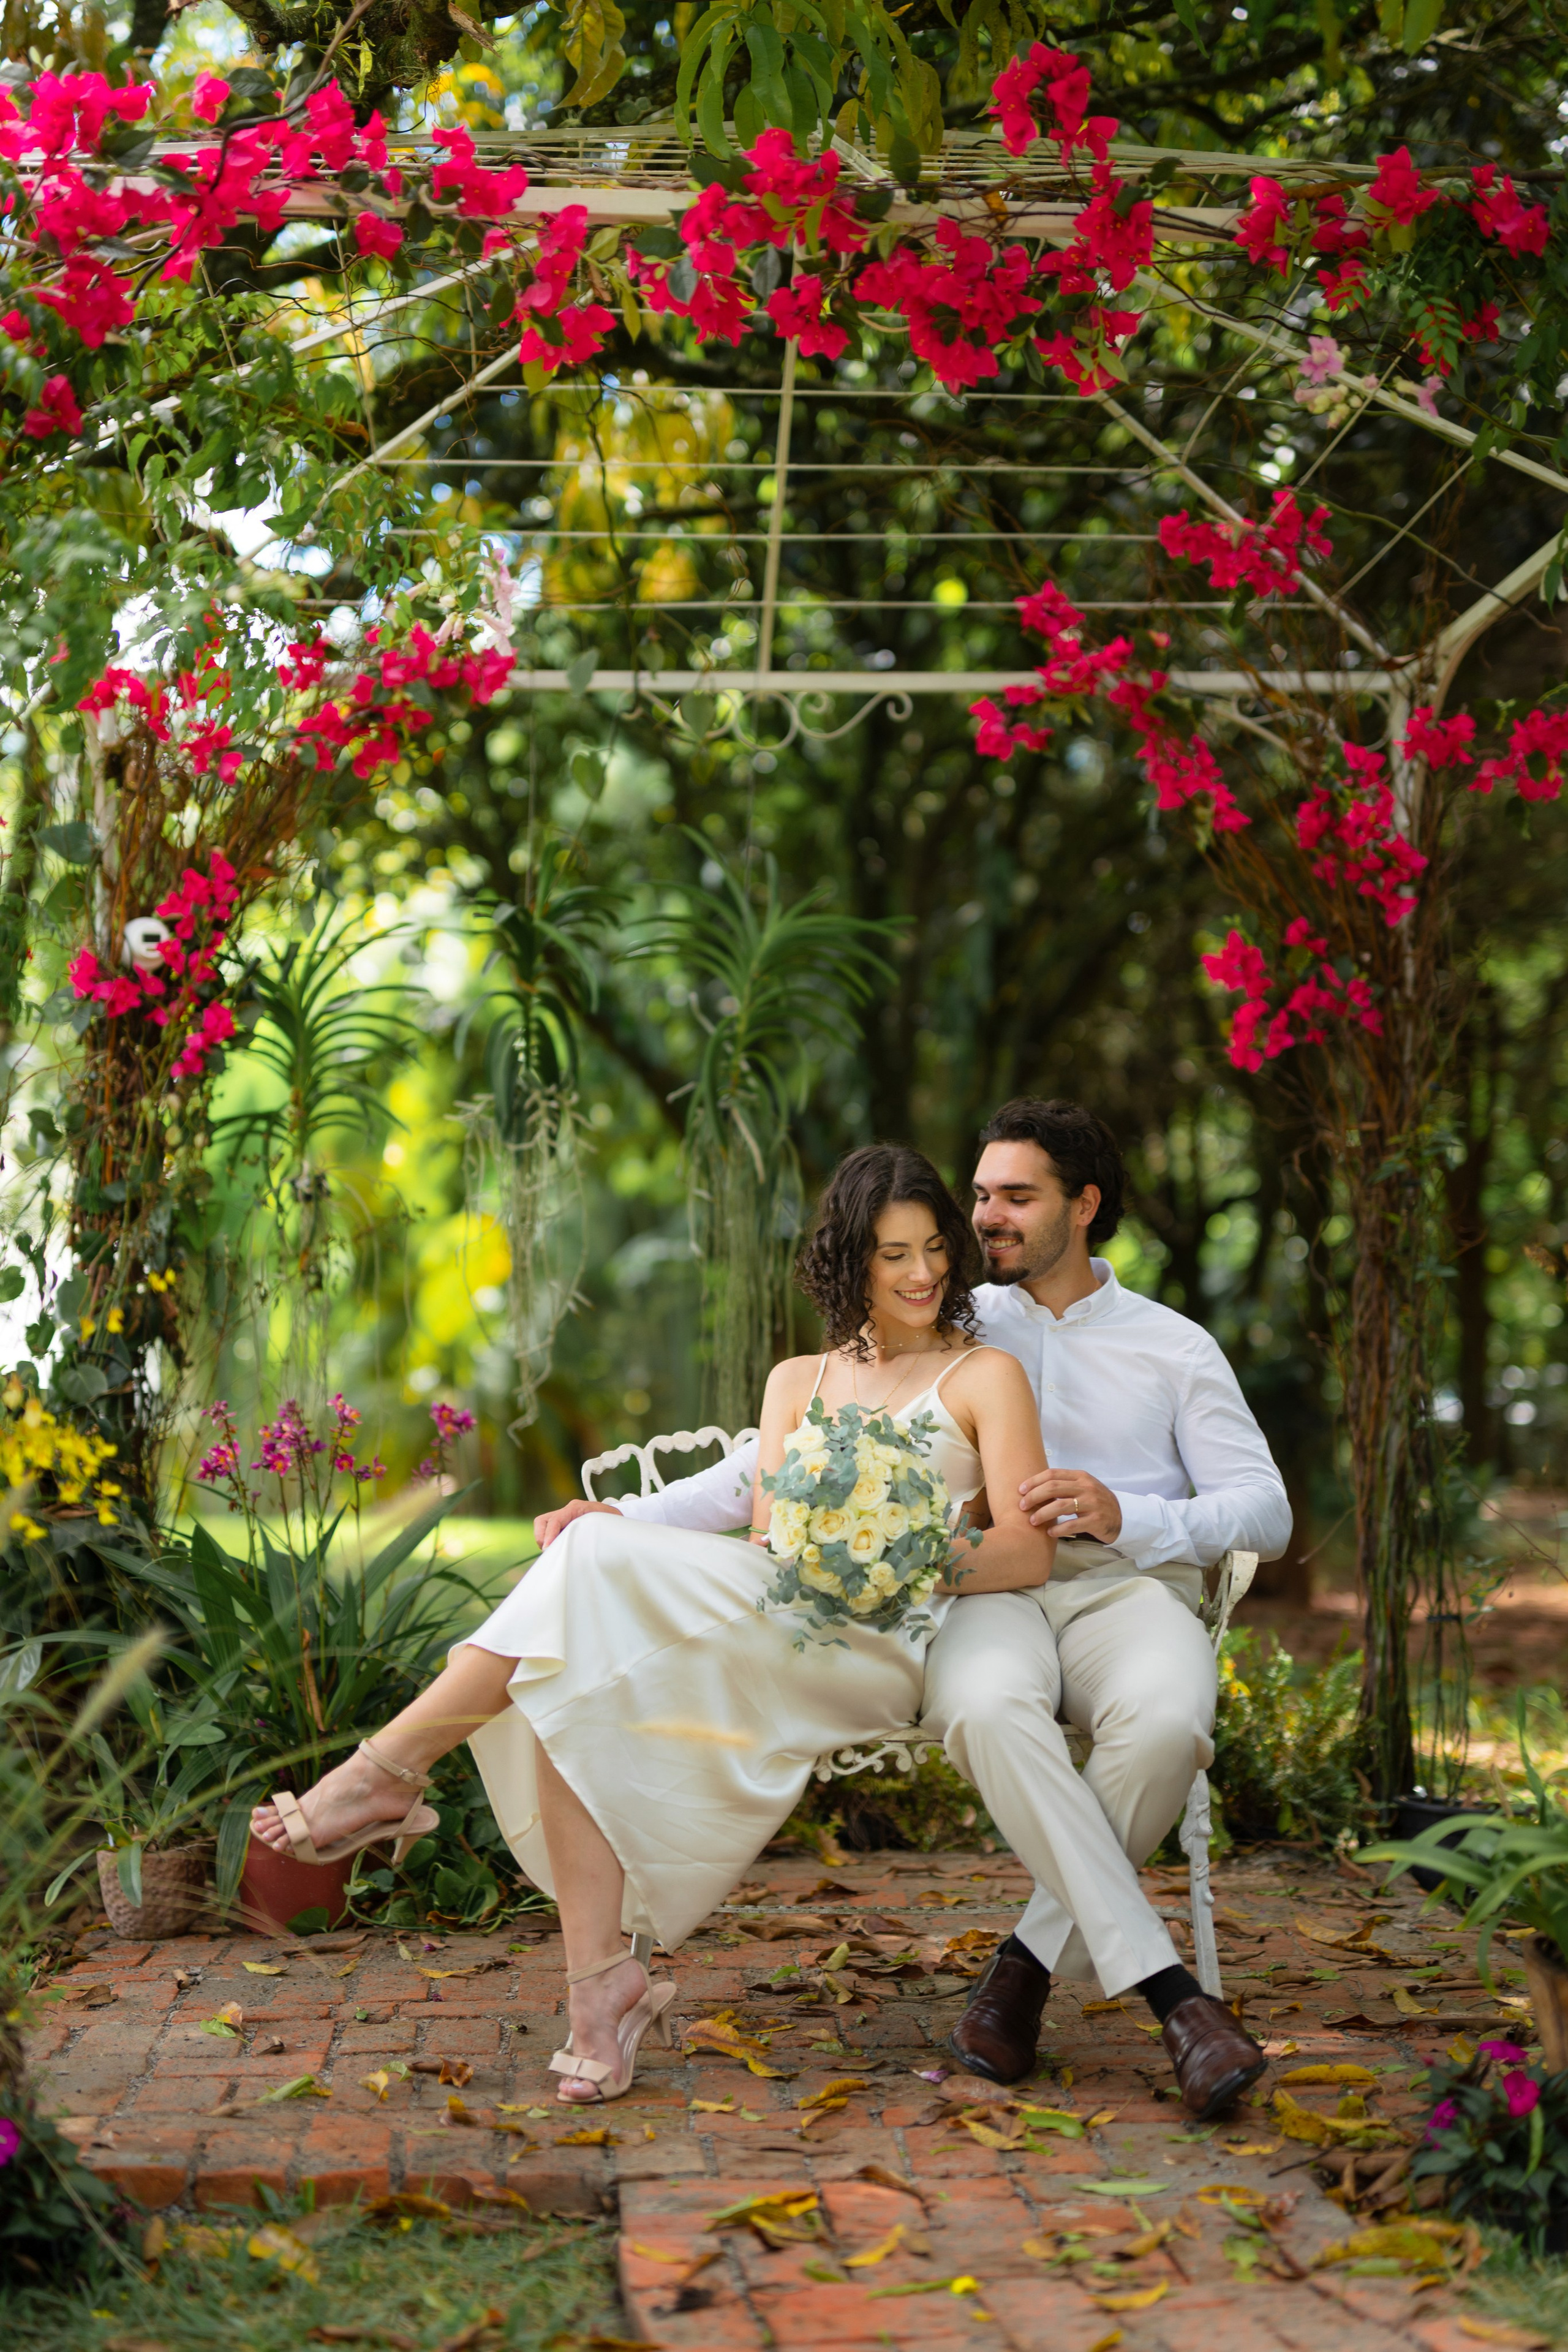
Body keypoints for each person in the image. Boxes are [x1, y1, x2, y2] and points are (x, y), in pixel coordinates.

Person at [250, 1145, 1057, 2106]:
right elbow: (767, 1536)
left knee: (585, 1579)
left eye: (934, 1248)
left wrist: (896, 1555)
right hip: (778, 1613)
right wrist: (664, 1525)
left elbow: (1026, 1552)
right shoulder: (798, 1380)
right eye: (893, 1255)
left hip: (881, 1643)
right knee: (573, 1656)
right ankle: (599, 1990)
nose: (922, 1273)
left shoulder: (984, 1375)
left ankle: (385, 1772)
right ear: (851, 1262)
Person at [539, 1099, 1289, 2116]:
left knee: (1166, 1727)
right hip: (983, 1588)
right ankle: (1170, 1999)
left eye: (1016, 1197)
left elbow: (1265, 1511)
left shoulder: (1174, 1346)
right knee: (984, 1709)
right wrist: (627, 1515)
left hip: (1128, 1587)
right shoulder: (951, 1318)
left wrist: (1132, 1513)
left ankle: (1024, 1968)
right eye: (980, 1195)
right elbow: (777, 1467)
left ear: (1084, 1206)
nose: (986, 1219)